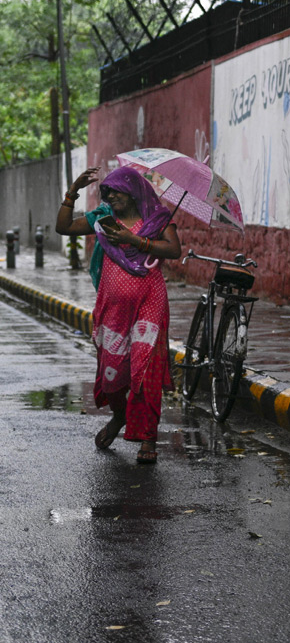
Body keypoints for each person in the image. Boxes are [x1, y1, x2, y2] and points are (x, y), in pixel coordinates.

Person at [56, 166, 182, 464]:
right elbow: (63, 227)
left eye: (116, 190)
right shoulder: (102, 218)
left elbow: (174, 250)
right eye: (107, 192)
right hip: (112, 307)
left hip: (149, 302)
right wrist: (73, 191)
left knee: (145, 369)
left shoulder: (157, 218)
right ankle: (119, 416)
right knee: (111, 370)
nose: (111, 195)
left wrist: (134, 239)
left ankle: (148, 439)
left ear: (134, 190)